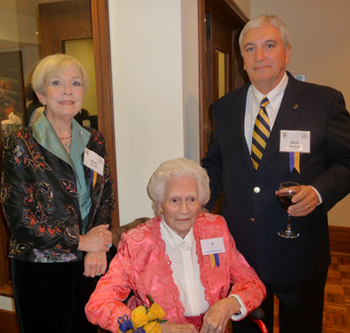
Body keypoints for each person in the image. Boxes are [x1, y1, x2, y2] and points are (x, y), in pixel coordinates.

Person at [201, 14, 350, 333]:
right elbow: (215, 164)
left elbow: (347, 161)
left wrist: (320, 191)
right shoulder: (225, 107)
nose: (259, 56)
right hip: (241, 253)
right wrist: (196, 207)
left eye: (269, 46)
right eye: (250, 49)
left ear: (287, 51)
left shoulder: (323, 102)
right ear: (242, 59)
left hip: (299, 247)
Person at [1, 54, 115, 333]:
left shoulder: (94, 139)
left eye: (75, 83)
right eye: (57, 83)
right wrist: (82, 241)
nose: (67, 90)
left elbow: (105, 197)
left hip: (89, 264)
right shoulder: (20, 143)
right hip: (40, 267)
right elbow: (19, 220)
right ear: (41, 94)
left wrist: (97, 247)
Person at [85, 158, 266, 333]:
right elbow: (98, 305)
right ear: (160, 206)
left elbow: (252, 283)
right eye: (174, 201)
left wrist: (230, 304)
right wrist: (154, 327)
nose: (184, 210)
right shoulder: (137, 243)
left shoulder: (215, 229)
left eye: (192, 200)